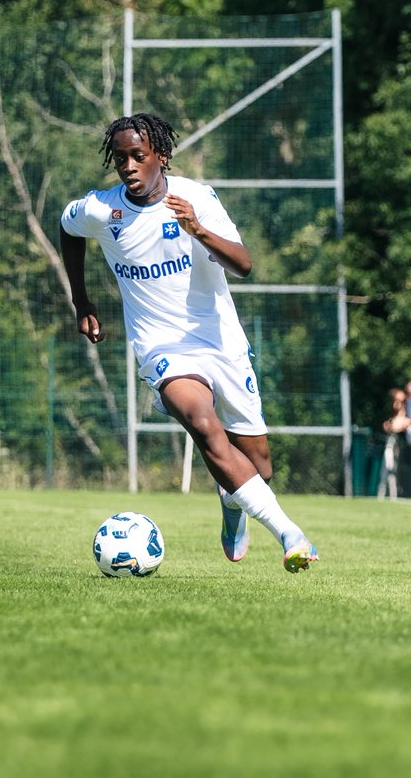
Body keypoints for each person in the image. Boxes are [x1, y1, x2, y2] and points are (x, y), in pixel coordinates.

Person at [60, 112, 319, 573]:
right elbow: (67, 227)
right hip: (161, 348)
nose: (129, 167)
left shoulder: (196, 198)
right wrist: (82, 302)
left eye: (138, 156)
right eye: (120, 159)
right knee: (201, 422)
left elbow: (243, 264)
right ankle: (290, 533)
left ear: (161, 156)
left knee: (259, 466)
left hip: (220, 340)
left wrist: (197, 228)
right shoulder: (103, 209)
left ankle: (232, 497)